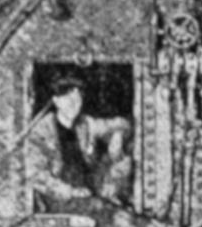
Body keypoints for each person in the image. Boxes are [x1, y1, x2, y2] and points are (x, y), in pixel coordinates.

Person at [30, 76, 135, 210]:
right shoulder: (42, 131)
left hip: (89, 193)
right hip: (60, 198)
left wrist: (118, 134)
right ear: (56, 101)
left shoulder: (85, 123)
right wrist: (70, 192)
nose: (73, 104)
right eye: (67, 98)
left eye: (77, 99)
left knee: (124, 162)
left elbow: (122, 124)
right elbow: (36, 175)